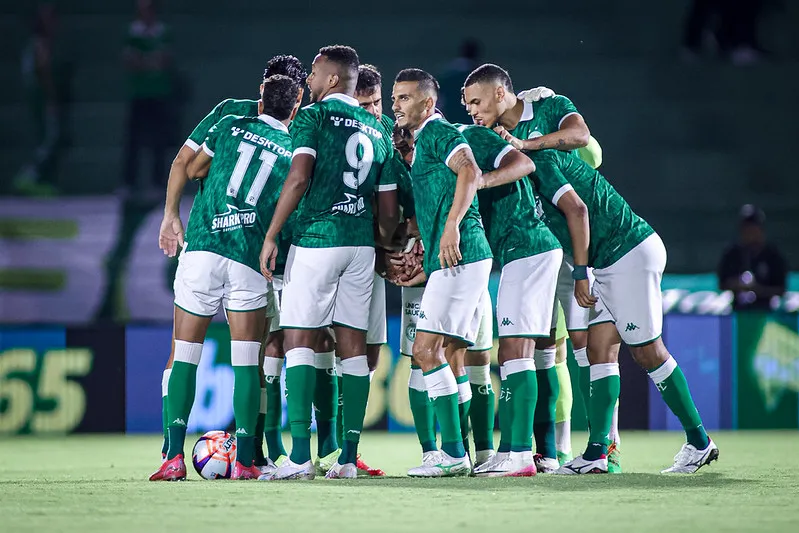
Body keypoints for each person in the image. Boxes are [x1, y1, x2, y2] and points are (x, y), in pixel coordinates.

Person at [462, 63, 622, 473]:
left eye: (477, 102)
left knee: (586, 350)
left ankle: (603, 446)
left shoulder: (548, 106)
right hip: (543, 245)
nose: (472, 112)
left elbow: (582, 139)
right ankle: (549, 451)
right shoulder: (490, 136)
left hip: (578, 248)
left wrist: (526, 143)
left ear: (501, 94)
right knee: (546, 350)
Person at [523, 147, 718, 475]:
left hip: (626, 254)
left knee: (648, 353)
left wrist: (581, 272)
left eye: (478, 102)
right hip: (611, 261)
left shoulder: (540, 160)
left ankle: (699, 443)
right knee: (599, 349)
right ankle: (598, 452)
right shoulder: (529, 173)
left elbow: (579, 210)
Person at [155, 55, 308, 475]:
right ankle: (244, 461)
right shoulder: (299, 147)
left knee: (183, 354)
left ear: (261, 98)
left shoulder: (229, 122)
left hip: (204, 247)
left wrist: (176, 212)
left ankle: (171, 457)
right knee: (248, 359)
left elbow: (192, 166)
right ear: (296, 105)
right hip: (250, 259)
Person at [259, 45, 398, 480]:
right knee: (353, 348)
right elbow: (389, 208)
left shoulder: (312, 117)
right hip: (361, 248)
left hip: (318, 239)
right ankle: (346, 459)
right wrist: (385, 242)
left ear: (333, 79)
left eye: (315, 74)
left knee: (299, 339)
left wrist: (271, 234)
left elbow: (299, 177)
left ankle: (300, 458)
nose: (309, 81)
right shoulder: (378, 130)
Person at [390, 68, 492, 477]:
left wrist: (450, 227)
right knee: (448, 355)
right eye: (394, 98)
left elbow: (470, 170)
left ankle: (452, 454)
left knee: (425, 351)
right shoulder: (422, 141)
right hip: (451, 259)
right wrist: (421, 237)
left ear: (428, 103)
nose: (396, 105)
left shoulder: (438, 132)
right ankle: (462, 452)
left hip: (461, 255)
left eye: (404, 98)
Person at [16, 2, 71, 196]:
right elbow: (42, 72)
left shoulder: (37, 44)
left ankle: (40, 181)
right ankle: (29, 176)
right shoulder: (39, 45)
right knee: (48, 139)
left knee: (46, 139)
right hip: (41, 99)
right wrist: (51, 98)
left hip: (37, 98)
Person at [121, 0, 174, 197]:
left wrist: (144, 61)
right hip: (138, 94)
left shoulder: (163, 32)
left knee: (159, 140)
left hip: (159, 94)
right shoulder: (133, 33)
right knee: (133, 140)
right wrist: (150, 61)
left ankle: (157, 183)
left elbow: (165, 60)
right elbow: (130, 61)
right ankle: (128, 183)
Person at [718, 205, 788, 311]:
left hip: (767, 313)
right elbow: (722, 283)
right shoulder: (732, 253)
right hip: (738, 313)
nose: (750, 234)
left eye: (753, 229)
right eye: (746, 229)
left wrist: (758, 289)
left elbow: (781, 289)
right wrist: (738, 285)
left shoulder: (772, 255)